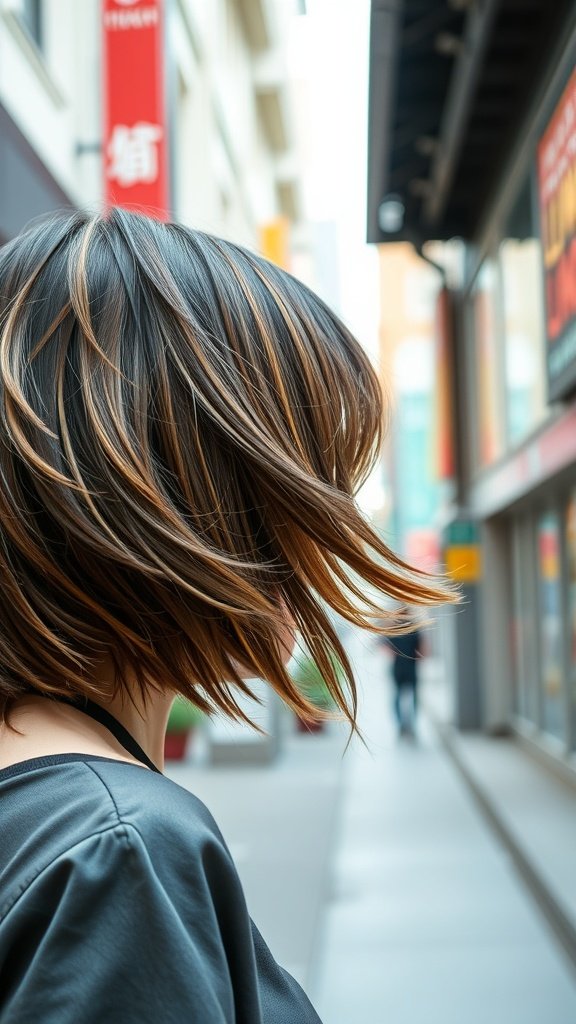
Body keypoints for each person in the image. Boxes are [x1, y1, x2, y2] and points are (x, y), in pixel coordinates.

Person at [0, 209, 455, 1022]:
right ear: (182, 492)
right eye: (293, 481)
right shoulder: (114, 857)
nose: (320, 525)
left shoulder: (56, 826)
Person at [387, 605, 423, 736]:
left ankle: (400, 724)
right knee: (413, 695)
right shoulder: (415, 629)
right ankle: (411, 723)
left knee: (397, 695)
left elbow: (387, 648)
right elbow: (422, 650)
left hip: (398, 666)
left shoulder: (394, 630)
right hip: (411, 666)